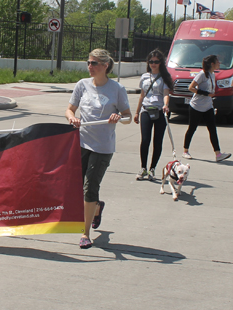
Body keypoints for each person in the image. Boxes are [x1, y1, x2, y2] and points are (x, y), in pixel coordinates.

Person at [65, 49, 131, 249]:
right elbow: (69, 109)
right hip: (82, 143)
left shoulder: (117, 89)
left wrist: (118, 117)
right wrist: (72, 118)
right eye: (88, 63)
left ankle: (85, 234)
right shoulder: (82, 85)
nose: (90, 67)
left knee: (90, 187)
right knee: (79, 186)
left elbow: (128, 117)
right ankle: (96, 207)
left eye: (94, 63)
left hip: (102, 147)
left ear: (105, 66)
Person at [182, 55, 231, 162]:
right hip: (196, 106)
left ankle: (218, 154)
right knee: (192, 128)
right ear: (212, 64)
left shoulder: (212, 75)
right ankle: (185, 151)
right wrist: (206, 94)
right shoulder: (202, 75)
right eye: (217, 61)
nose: (219, 63)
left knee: (212, 130)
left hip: (208, 106)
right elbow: (191, 88)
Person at [134, 49, 174, 180]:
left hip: (159, 111)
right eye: (151, 61)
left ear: (160, 62)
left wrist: (166, 105)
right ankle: (143, 168)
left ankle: (152, 169)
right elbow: (142, 95)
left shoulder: (164, 78)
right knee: (145, 140)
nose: (153, 64)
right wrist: (136, 112)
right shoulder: (145, 77)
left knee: (157, 141)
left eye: (156, 62)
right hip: (146, 110)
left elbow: (166, 94)